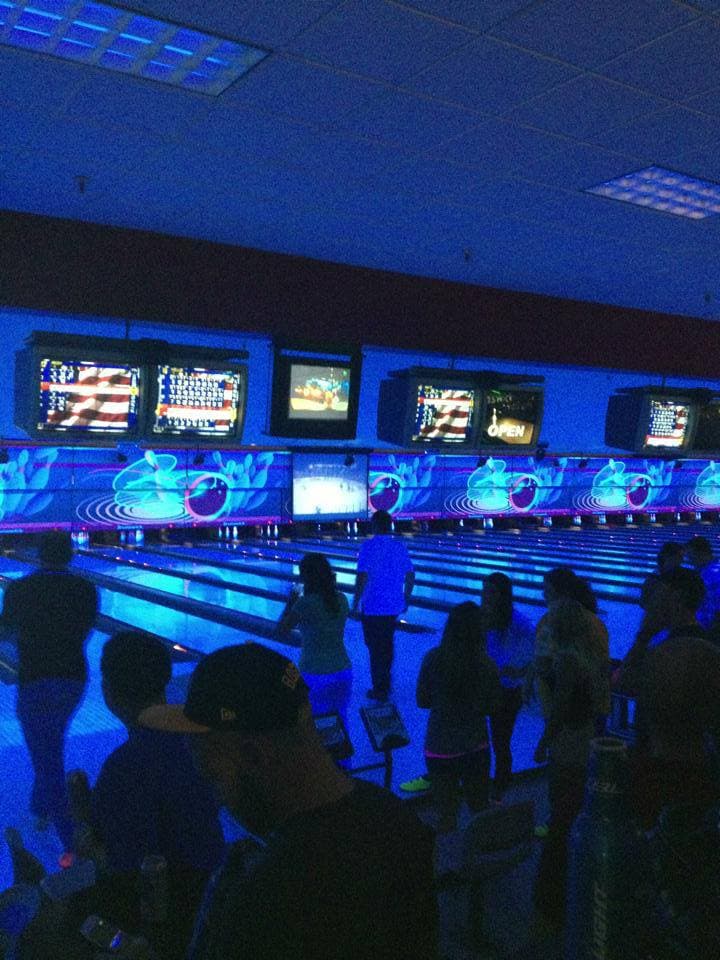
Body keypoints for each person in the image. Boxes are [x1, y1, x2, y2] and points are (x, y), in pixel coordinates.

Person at [139, 643, 439, 960]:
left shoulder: (267, 897)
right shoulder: (396, 817)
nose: (218, 802)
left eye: (213, 777)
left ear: (254, 756)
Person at [0, 530, 98, 848]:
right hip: (73, 680)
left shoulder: (20, 588)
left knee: (48, 757)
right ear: (70, 555)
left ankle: (72, 842)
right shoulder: (86, 589)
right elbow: (83, 633)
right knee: (50, 746)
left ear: (38, 555)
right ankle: (40, 807)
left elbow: (6, 634)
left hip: (35, 680)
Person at [532, 598, 602, 925]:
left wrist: (544, 741)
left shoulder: (568, 661)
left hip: (569, 742)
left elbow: (560, 709)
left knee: (561, 810)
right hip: (584, 735)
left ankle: (554, 894)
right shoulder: (586, 656)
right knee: (570, 806)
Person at [416, 602, 502, 832]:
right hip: (476, 746)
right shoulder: (488, 665)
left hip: (440, 746)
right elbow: (494, 707)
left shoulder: (433, 658)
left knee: (446, 815)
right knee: (479, 809)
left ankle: (446, 863)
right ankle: (478, 862)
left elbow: (422, 701)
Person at [276, 552, 351, 720]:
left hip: (315, 674)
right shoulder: (342, 599)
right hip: (343, 671)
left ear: (306, 577)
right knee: (341, 722)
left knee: (317, 726)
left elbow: (281, 630)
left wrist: (291, 602)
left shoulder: (304, 604)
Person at [482, 573, 535, 800]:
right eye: (484, 590)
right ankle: (485, 782)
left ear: (503, 595)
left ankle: (501, 785)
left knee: (500, 740)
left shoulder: (517, 620)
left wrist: (522, 672)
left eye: (491, 591)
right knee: (484, 739)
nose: (485, 595)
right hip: (486, 687)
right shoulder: (482, 616)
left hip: (508, 690)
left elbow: (540, 649)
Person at [352, 509, 414, 701]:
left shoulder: (367, 547)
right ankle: (385, 684)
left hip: (372, 606)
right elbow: (411, 575)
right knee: (386, 645)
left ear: (375, 525)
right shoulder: (400, 547)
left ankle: (379, 688)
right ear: (390, 525)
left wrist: (355, 602)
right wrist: (406, 597)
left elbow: (362, 576)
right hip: (392, 606)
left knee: (374, 647)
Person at [685, 535, 720, 642]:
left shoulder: (711, 575)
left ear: (700, 553)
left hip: (711, 632)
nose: (689, 560)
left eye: (691, 556)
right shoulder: (705, 570)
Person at [639, 541, 685, 610]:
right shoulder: (653, 579)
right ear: (668, 556)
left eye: (682, 557)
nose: (682, 560)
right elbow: (643, 603)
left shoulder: (684, 575)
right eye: (680, 556)